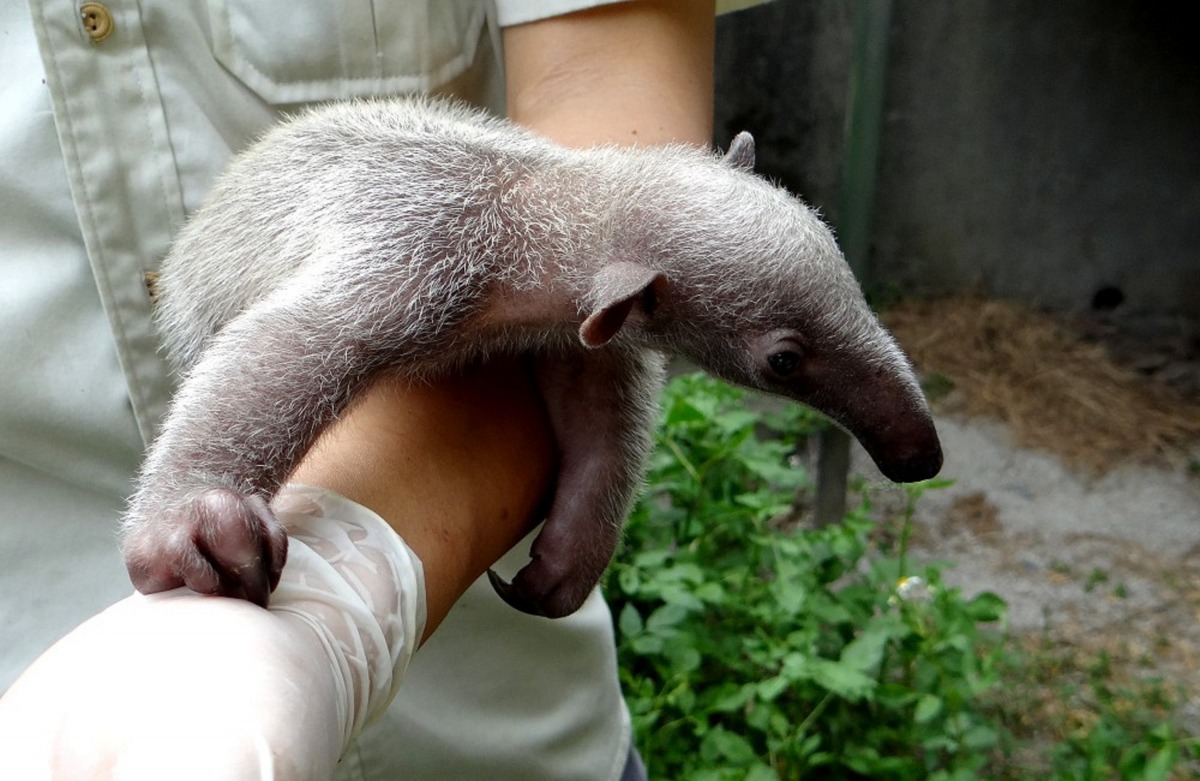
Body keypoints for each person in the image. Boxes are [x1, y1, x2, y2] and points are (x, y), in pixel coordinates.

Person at [0, 1, 759, 777]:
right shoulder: (426, 261)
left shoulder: (585, 282)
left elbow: (613, 129)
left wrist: (341, 605)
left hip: (501, 734)